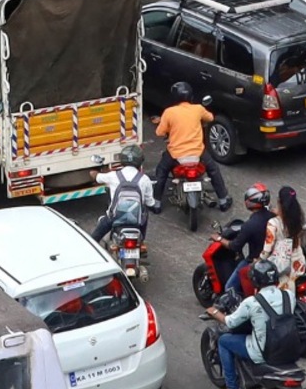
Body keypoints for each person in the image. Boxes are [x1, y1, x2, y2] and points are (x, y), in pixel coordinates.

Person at [205, 259, 295, 389]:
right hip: (290, 348)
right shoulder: (289, 296)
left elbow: (230, 322)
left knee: (224, 341)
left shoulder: (252, 303)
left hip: (264, 352)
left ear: (255, 281)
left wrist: (215, 312)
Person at [149, 82, 231, 212]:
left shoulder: (169, 112)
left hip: (175, 154)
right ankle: (223, 200)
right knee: (214, 170)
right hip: (198, 152)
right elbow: (210, 118)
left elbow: (159, 132)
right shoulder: (198, 109)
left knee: (161, 173)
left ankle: (156, 204)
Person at [89, 145, 156, 243]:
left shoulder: (113, 176)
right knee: (145, 212)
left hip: (114, 217)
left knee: (93, 240)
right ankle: (140, 241)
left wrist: (94, 172)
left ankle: (93, 249)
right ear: (140, 161)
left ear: (121, 160)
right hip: (136, 220)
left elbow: (94, 176)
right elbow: (150, 202)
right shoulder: (145, 179)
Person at [217, 182, 272, 294]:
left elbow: (235, 246)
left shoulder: (249, 225)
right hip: (272, 258)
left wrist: (219, 239)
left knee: (229, 288)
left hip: (255, 261)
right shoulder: (273, 216)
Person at [262, 185, 306, 291]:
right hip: (299, 262)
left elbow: (267, 248)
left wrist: (259, 260)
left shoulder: (273, 224)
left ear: (279, 202)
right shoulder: (298, 216)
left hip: (284, 266)